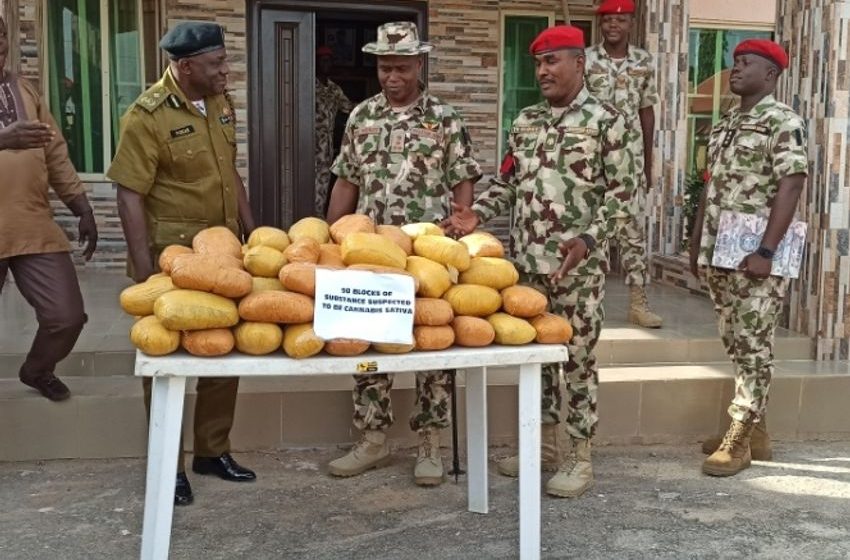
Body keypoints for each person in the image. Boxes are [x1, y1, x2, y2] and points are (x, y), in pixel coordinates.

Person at [444, 25, 635, 498]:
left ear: (579, 64)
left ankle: (579, 456)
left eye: (553, 61)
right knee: (537, 360)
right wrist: (476, 213)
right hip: (528, 266)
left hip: (578, 269)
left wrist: (590, 239)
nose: (543, 71)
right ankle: (544, 447)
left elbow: (623, 195)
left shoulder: (609, 120)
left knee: (578, 362)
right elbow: (509, 183)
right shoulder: (526, 121)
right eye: (538, 63)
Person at [325, 21, 481, 486]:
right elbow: (346, 178)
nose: (391, 77)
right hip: (373, 250)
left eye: (401, 67)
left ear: (419, 64)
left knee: (433, 344)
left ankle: (430, 443)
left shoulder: (445, 119)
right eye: (384, 67)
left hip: (430, 253)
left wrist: (462, 229)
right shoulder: (362, 116)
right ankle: (372, 438)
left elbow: (463, 179)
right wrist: (334, 237)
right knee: (369, 341)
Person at [107, 21, 257, 506]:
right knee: (167, 364)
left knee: (222, 350)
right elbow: (129, 194)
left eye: (225, 61)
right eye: (217, 64)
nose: (226, 71)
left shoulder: (219, 101)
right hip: (171, 260)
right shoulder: (146, 116)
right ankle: (166, 464)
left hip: (222, 255)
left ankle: (212, 450)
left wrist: (251, 234)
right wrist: (144, 267)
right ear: (185, 66)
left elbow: (228, 171)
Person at [689, 39, 807, 477]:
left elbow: (791, 184)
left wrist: (767, 251)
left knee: (755, 341)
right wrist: (697, 239)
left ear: (771, 74)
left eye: (745, 63)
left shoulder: (783, 121)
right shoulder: (725, 124)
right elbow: (710, 184)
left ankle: (738, 438)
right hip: (721, 249)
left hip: (757, 252)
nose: (735, 69)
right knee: (736, 339)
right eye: (734, 62)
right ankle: (756, 430)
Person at [0, 15, 97, 402]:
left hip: (30, 223)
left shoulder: (25, 89)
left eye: (1, 35)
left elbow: (55, 152)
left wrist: (81, 206)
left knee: (66, 316)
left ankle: (37, 369)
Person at [584, 0, 662, 328]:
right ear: (601, 24)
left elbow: (647, 110)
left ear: (631, 23)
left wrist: (647, 162)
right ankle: (590, 302)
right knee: (591, 227)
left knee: (630, 231)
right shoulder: (586, 59)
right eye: (608, 20)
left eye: (621, 19)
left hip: (628, 159)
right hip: (590, 157)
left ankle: (638, 303)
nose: (614, 25)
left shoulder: (643, 61)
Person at [314, 45, 353, 216]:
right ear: (315, 62)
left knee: (322, 187)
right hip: (306, 144)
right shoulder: (307, 85)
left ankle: (318, 220)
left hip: (326, 148)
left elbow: (349, 108)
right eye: (323, 61)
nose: (326, 64)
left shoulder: (334, 89)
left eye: (329, 61)